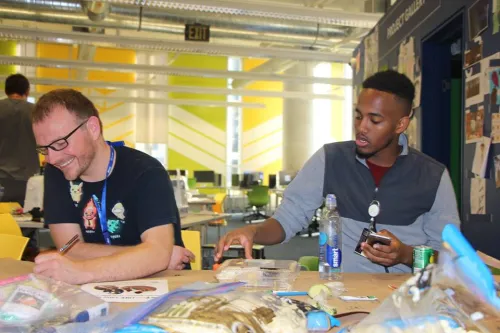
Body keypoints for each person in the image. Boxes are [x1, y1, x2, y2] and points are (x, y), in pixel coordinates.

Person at [215, 70, 461, 273]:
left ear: (401, 124)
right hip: (342, 294)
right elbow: (289, 218)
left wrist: (406, 255)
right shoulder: (330, 159)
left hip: (405, 300)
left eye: (374, 120)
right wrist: (253, 231)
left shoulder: (432, 176)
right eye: (358, 116)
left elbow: (449, 260)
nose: (361, 128)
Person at [31, 89, 194, 284]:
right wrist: (146, 258)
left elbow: (157, 253)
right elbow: (70, 248)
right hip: (96, 291)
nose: (52, 158)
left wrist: (81, 270)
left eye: (60, 143)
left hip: (160, 289)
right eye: (44, 149)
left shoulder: (145, 172)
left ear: (92, 128)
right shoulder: (57, 171)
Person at [0, 74, 40, 204]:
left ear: (6, 90)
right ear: (27, 91)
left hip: (1, 178)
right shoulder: (37, 112)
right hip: (28, 181)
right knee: (27, 220)